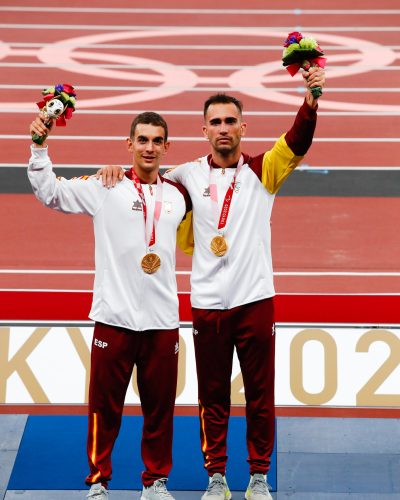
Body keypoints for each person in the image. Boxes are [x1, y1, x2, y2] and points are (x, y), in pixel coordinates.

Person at [98, 65, 326, 500]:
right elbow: (146, 180)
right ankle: (216, 476)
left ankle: (258, 476)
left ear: (243, 126)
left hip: (255, 298)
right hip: (205, 302)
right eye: (215, 122)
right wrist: (115, 171)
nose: (223, 129)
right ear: (204, 131)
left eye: (230, 121)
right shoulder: (186, 175)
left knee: (261, 394)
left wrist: (310, 101)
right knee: (212, 396)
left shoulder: (265, 170)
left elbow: (298, 140)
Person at [28, 111, 192, 500]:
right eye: (142, 140)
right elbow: (49, 191)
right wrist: (39, 146)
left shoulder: (178, 196)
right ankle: (99, 481)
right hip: (113, 320)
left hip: (162, 321)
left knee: (160, 410)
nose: (149, 148)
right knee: (105, 408)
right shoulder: (106, 185)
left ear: (166, 147)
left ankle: (155, 483)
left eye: (156, 141)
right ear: (129, 144)